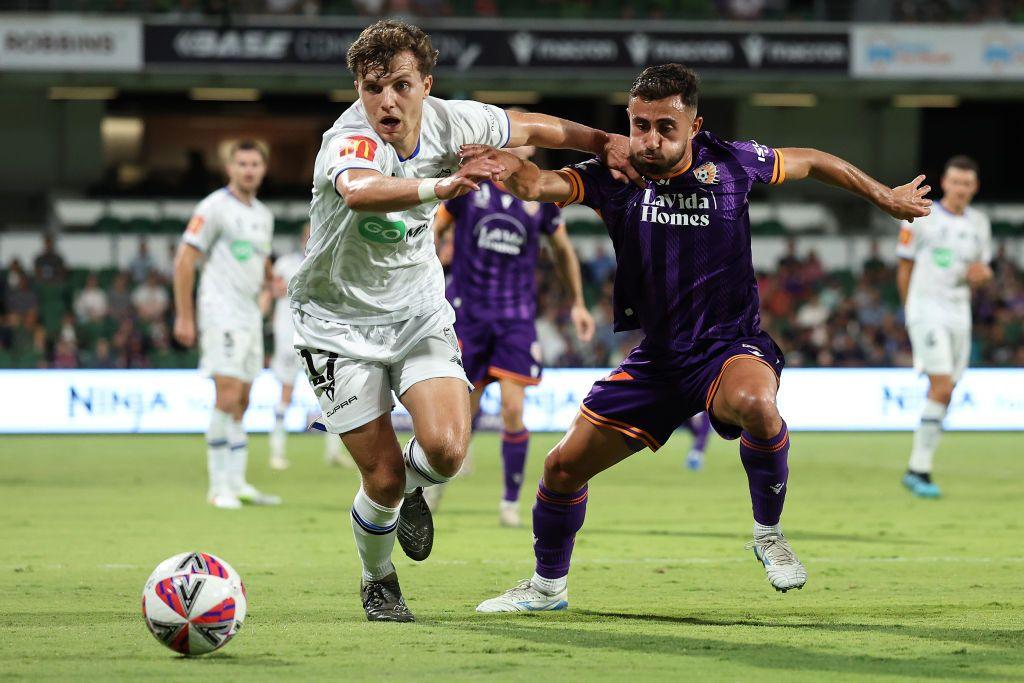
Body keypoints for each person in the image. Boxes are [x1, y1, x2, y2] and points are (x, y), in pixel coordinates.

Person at [471, 63, 931, 612]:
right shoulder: (611, 175)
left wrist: (883, 197)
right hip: (659, 361)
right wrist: (505, 165)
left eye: (666, 126)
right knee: (561, 468)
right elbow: (539, 185)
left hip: (727, 348)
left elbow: (811, 161)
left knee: (757, 403)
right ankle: (547, 587)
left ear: (694, 125)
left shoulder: (733, 162)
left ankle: (768, 534)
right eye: (640, 125)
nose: (650, 139)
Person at [287, 20, 638, 622]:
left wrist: (603, 140)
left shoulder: (457, 121)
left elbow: (532, 126)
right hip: (336, 324)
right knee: (382, 477)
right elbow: (360, 193)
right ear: (358, 88)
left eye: (400, 85)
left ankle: (415, 486)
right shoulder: (347, 139)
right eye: (372, 88)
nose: (386, 101)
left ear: (426, 83)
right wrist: (444, 185)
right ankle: (378, 579)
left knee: (448, 450)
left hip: (418, 310)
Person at [431, 143, 596, 527]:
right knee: (460, 415)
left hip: (515, 320)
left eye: (520, 138)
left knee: (513, 408)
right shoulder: (472, 186)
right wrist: (429, 269)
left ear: (531, 147)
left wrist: (578, 303)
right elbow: (436, 227)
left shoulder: (540, 196)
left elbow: (563, 250)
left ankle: (509, 502)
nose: (513, 144)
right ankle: (436, 482)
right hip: (466, 315)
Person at [172, 139, 281, 510]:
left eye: (255, 164)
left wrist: (271, 283)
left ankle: (238, 482)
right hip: (220, 312)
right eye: (242, 164)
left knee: (244, 400)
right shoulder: (214, 208)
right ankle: (218, 488)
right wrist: (185, 315)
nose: (249, 170)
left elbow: (261, 261)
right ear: (230, 168)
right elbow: (185, 261)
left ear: (263, 169)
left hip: (250, 315)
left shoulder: (263, 215)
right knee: (228, 394)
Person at [896, 155, 992, 498]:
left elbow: (978, 272)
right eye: (956, 182)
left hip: (959, 313)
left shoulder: (980, 223)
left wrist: (983, 277)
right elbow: (904, 265)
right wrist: (910, 311)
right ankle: (918, 469)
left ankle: (919, 468)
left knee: (947, 389)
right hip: (926, 310)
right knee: (941, 386)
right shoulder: (924, 216)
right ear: (945, 183)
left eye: (967, 183)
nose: (961, 189)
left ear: (974, 187)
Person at [268, 224, 351, 471]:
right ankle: (277, 451)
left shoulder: (330, 263)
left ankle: (334, 452)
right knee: (286, 392)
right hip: (288, 337)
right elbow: (274, 289)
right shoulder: (286, 263)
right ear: (303, 238)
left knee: (331, 395)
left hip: (319, 339)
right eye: (310, 234)